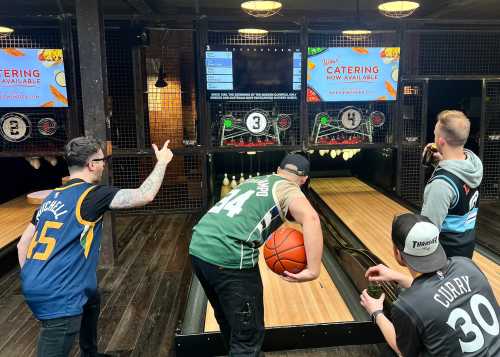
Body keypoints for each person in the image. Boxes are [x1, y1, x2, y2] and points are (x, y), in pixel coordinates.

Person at [17, 136, 173, 357]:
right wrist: (163, 162)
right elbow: (144, 195)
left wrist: (32, 278)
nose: (103, 164)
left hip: (35, 280)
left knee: (92, 297)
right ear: (92, 164)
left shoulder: (53, 197)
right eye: (102, 160)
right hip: (59, 293)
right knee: (56, 341)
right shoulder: (92, 195)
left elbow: (22, 245)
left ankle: (89, 353)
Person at [189, 153, 323, 356]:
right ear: (304, 179)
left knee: (229, 319)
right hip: (230, 254)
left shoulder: (255, 180)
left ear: (279, 170)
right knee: (248, 334)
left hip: (199, 246)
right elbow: (311, 218)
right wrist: (313, 270)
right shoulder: (289, 188)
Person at [360, 213, 499, 357]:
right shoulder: (467, 265)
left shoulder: (406, 306)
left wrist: (376, 312)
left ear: (397, 253)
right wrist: (396, 276)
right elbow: (435, 292)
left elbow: (403, 351)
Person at [421, 110, 483, 258]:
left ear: (441, 141)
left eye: (435, 135)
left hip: (443, 258)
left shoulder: (441, 185)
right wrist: (440, 163)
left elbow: (427, 233)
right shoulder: (473, 165)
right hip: (465, 250)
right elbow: (458, 181)